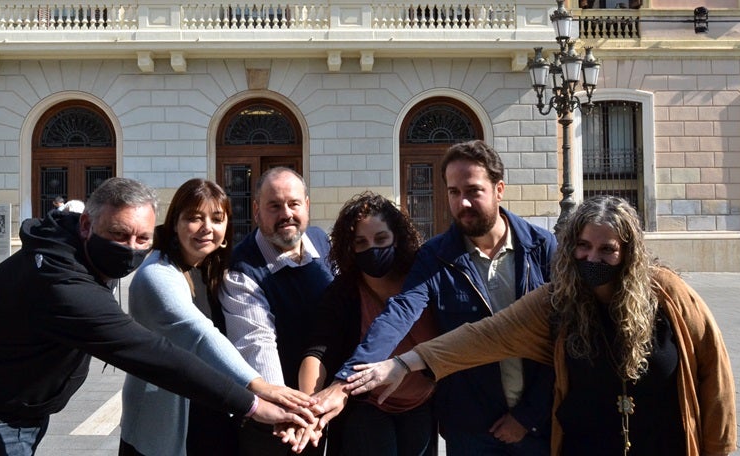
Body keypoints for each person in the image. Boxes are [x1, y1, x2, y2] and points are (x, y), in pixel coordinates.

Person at [0, 177, 312, 456]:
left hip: (22, 404)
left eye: (141, 239)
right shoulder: (64, 284)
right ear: (87, 226)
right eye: (119, 235)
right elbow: (159, 351)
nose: (131, 249)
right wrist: (257, 398)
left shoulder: (78, 250)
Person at [346, 195, 738, 456]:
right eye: (583, 246)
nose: (592, 257)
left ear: (629, 253)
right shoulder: (557, 301)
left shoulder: (668, 293)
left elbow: (715, 379)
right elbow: (486, 335)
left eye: (607, 249)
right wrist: (403, 364)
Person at [312, 140, 558, 456]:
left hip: (537, 426)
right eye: (454, 192)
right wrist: (344, 382)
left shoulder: (543, 248)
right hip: (470, 430)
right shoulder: (436, 256)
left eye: (473, 191)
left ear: (499, 189)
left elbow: (562, 339)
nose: (463, 203)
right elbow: (398, 313)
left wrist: (528, 416)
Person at [120, 178, 312, 456]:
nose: (207, 228)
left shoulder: (212, 268)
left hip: (213, 415)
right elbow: (200, 334)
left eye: (217, 218)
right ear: (175, 223)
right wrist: (261, 388)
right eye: (194, 218)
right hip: (166, 427)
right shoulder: (157, 275)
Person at [296, 192, 440, 455]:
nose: (372, 248)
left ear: (397, 237)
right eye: (361, 242)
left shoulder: (422, 282)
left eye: (381, 239)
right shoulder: (344, 292)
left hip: (420, 403)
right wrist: (311, 407)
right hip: (367, 406)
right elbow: (319, 350)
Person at [220, 167, 335, 455]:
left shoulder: (322, 242)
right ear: (257, 211)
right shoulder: (242, 270)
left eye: (294, 204)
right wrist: (291, 412)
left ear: (307, 206)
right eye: (274, 206)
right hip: (274, 421)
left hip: (326, 403)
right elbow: (257, 343)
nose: (286, 213)